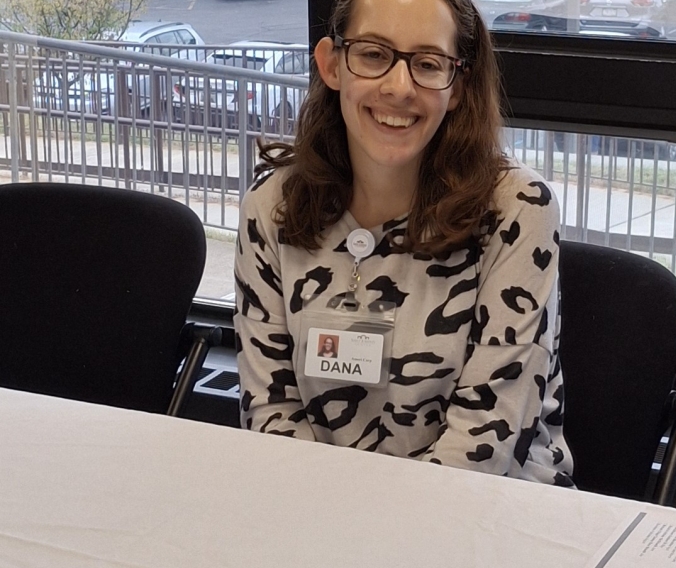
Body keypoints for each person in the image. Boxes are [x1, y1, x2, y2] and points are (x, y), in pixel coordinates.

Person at [234, 0, 573, 485]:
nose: (398, 87)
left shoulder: (517, 209)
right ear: (332, 64)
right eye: (373, 55)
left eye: (428, 64)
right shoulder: (272, 207)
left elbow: (484, 443)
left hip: (488, 515)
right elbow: (271, 415)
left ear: (457, 85)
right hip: (320, 510)